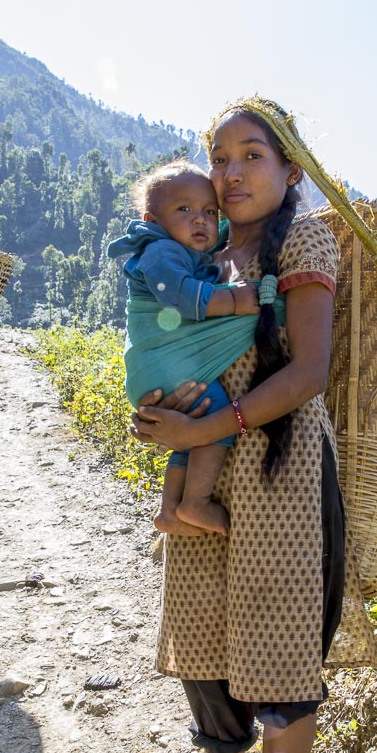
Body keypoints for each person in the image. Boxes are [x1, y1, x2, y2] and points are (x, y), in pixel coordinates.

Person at [130, 100, 375, 753]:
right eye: (218, 156)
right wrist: (159, 413)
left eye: (251, 155)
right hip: (204, 476)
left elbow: (306, 371)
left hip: (284, 476)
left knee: (279, 666)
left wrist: (206, 427)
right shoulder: (194, 251)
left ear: (290, 170)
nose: (230, 173)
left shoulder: (302, 243)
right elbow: (162, 347)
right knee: (207, 657)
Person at [108, 161, 260, 536]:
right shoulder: (160, 251)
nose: (201, 221)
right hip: (162, 364)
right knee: (214, 418)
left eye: (210, 212)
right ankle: (196, 501)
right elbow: (180, 297)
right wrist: (236, 302)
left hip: (159, 368)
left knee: (190, 432)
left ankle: (170, 512)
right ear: (153, 220)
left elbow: (226, 229)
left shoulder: (179, 247)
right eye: (185, 210)